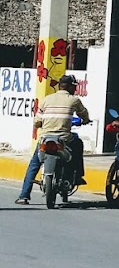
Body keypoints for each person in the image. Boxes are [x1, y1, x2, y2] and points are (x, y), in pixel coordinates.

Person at [15, 73, 91, 205]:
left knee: (34, 164)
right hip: (64, 139)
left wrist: (43, 124)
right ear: (70, 87)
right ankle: (78, 175)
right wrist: (85, 120)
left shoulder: (46, 100)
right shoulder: (74, 100)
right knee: (78, 143)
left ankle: (24, 195)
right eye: (74, 87)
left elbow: (37, 121)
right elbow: (84, 114)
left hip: (45, 138)